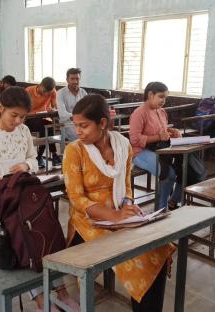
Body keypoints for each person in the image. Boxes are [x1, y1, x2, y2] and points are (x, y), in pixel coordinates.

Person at [0, 86, 79, 312]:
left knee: (44, 238)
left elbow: (33, 159)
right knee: (24, 245)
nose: (18, 121)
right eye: (14, 115)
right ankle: (41, 301)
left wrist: (27, 165)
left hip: (25, 200)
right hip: (0, 204)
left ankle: (61, 291)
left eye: (22, 116)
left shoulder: (24, 131)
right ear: (1, 108)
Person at [62, 94, 175, 312]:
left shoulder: (122, 145)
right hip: (89, 221)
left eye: (84, 126)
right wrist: (113, 216)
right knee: (138, 256)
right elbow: (77, 200)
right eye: (75, 126)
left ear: (102, 124)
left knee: (158, 247)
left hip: (119, 213)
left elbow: (126, 185)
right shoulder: (74, 151)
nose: (78, 132)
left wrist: (126, 204)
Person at [129, 82, 182, 210]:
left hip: (159, 148)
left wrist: (171, 132)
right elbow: (134, 140)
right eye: (161, 96)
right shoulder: (139, 113)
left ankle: (173, 200)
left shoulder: (162, 112)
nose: (164, 100)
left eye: (165, 98)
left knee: (184, 168)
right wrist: (159, 137)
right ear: (150, 94)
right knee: (168, 173)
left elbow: (161, 131)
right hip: (140, 152)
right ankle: (161, 208)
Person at [25, 77, 61, 168]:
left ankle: (42, 156)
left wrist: (53, 110)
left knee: (48, 127)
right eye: (45, 91)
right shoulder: (28, 91)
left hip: (42, 117)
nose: (46, 94)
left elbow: (54, 106)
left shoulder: (52, 91)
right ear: (40, 85)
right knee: (44, 128)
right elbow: (23, 109)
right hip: (28, 119)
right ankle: (51, 155)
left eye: (48, 92)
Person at [56, 68, 87, 141]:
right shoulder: (61, 93)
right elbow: (62, 114)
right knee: (81, 136)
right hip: (67, 125)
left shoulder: (83, 92)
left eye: (77, 79)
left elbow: (88, 110)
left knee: (94, 133)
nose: (75, 81)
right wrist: (79, 117)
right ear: (67, 80)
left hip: (83, 122)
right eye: (72, 79)